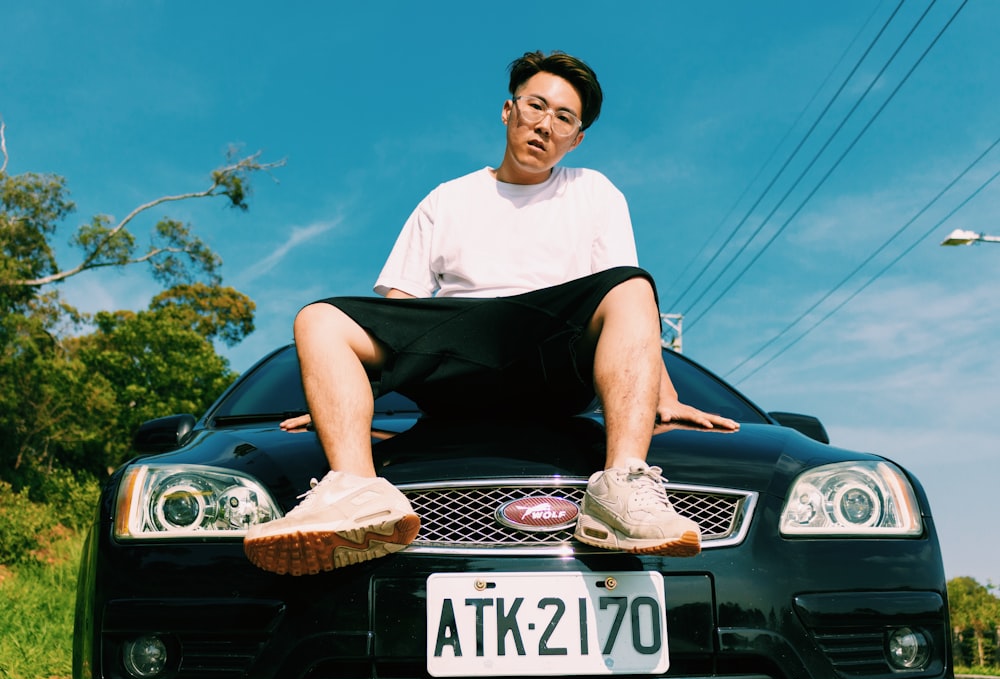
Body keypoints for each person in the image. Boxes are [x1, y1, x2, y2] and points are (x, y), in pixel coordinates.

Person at [244, 50, 739, 576]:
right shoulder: (446, 200)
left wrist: (664, 394)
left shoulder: (594, 192)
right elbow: (399, 317)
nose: (546, 125)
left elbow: (629, 305)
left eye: (565, 119)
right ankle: (358, 493)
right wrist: (345, 399)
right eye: (536, 106)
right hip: (459, 357)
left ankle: (622, 487)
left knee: (635, 284)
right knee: (317, 318)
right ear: (509, 111)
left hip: (554, 357)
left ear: (577, 139)